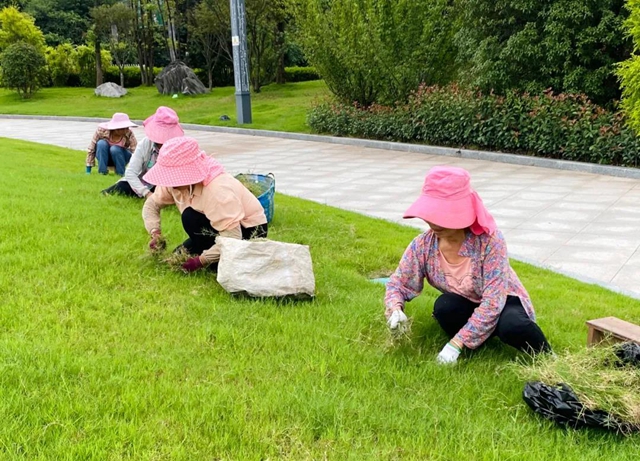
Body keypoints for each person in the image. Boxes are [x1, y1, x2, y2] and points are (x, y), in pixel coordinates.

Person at [384, 166, 550, 364]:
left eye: (443, 214)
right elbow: (399, 283)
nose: (434, 222)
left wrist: (455, 344)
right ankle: (482, 342)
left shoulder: (489, 241)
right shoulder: (423, 246)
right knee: (444, 307)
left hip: (503, 301)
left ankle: (548, 357)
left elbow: (493, 303)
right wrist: (395, 309)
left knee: (512, 326)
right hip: (467, 303)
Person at [141, 136, 268, 272]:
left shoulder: (216, 190)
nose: (169, 183)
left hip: (247, 231)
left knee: (190, 217)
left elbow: (232, 238)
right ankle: (211, 254)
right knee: (178, 256)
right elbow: (151, 204)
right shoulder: (173, 184)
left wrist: (201, 260)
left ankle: (221, 261)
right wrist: (155, 233)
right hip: (213, 227)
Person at [101, 107, 184, 198]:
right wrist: (146, 193)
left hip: (165, 184)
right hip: (143, 182)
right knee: (120, 187)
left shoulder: (179, 147)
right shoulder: (145, 144)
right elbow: (131, 172)